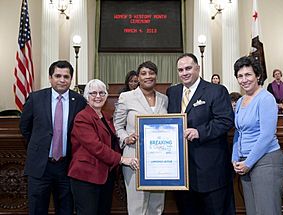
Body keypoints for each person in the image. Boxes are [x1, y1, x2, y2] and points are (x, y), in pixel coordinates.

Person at [166, 53, 235, 214]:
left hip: (210, 171)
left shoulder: (216, 90)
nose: (185, 73)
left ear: (198, 68)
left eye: (188, 68)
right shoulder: (173, 92)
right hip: (182, 173)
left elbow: (225, 121)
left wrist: (200, 132)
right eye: (181, 70)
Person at [19, 60, 87, 215]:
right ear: (50, 78)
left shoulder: (80, 101)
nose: (62, 80)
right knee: (37, 209)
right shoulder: (35, 98)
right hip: (40, 167)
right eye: (58, 76)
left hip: (66, 167)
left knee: (66, 209)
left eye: (66, 76)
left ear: (71, 79)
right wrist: (40, 146)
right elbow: (25, 127)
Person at [68, 79, 138, 215]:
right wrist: (122, 159)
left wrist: (128, 139)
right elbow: (96, 146)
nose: (98, 96)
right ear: (86, 97)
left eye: (101, 93)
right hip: (86, 177)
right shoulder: (82, 117)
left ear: (106, 96)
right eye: (93, 93)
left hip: (105, 175)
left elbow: (111, 142)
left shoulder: (106, 117)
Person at [232, 56, 283, 215]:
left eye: (248, 74)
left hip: (266, 161)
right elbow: (238, 131)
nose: (244, 79)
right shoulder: (241, 101)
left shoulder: (266, 98)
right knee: (253, 211)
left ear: (258, 76)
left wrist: (248, 162)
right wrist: (235, 159)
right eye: (240, 76)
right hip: (245, 162)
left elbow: (267, 135)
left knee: (267, 211)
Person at [113, 61, 168, 215]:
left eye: (151, 73)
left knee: (157, 206)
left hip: (160, 159)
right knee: (137, 206)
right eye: (144, 73)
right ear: (138, 77)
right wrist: (125, 138)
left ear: (156, 75)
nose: (148, 76)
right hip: (134, 158)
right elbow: (117, 125)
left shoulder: (164, 99)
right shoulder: (126, 97)